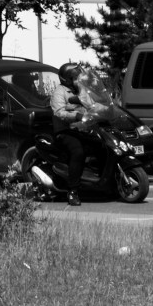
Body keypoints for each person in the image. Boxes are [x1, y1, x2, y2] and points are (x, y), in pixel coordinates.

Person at [50, 62, 88, 207]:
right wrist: (76, 115)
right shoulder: (59, 92)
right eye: (75, 77)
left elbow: (93, 102)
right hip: (65, 130)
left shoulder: (81, 90)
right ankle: (73, 191)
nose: (78, 79)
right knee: (78, 151)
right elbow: (59, 112)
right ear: (67, 79)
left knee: (101, 145)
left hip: (82, 129)